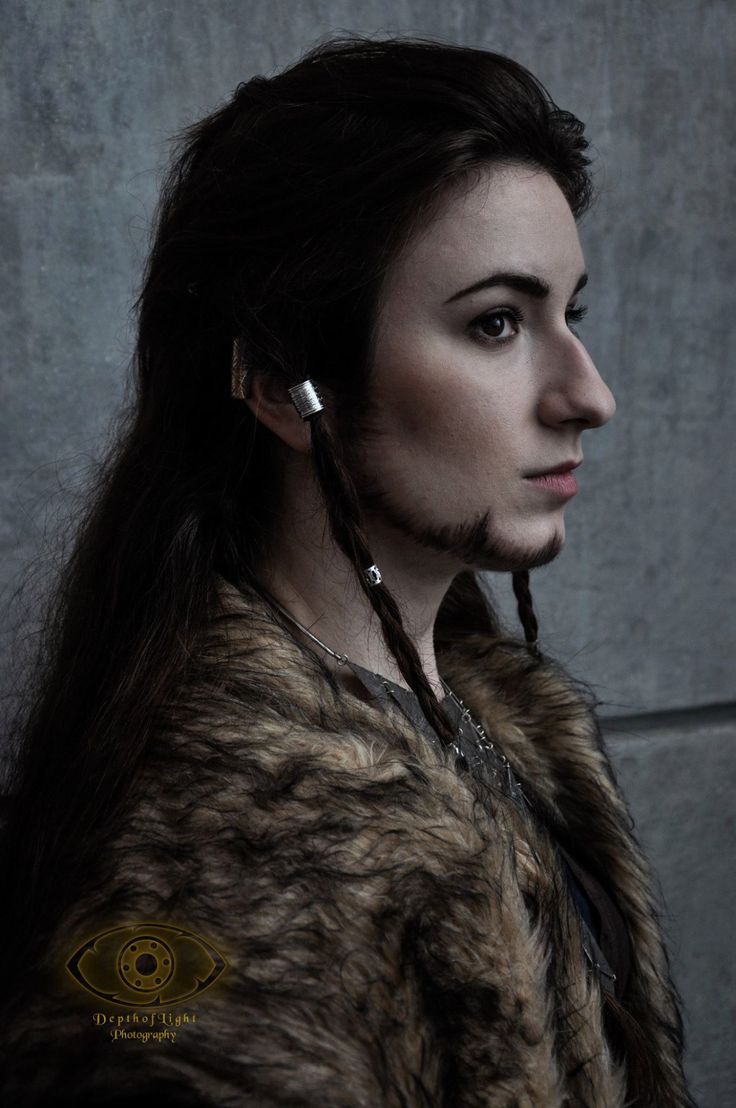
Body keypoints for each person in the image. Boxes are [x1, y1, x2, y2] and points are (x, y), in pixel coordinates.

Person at [0, 33, 693, 1107]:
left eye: (572, 314)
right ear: (285, 384)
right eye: (497, 323)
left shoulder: (478, 714)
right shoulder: (227, 854)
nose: (587, 393)